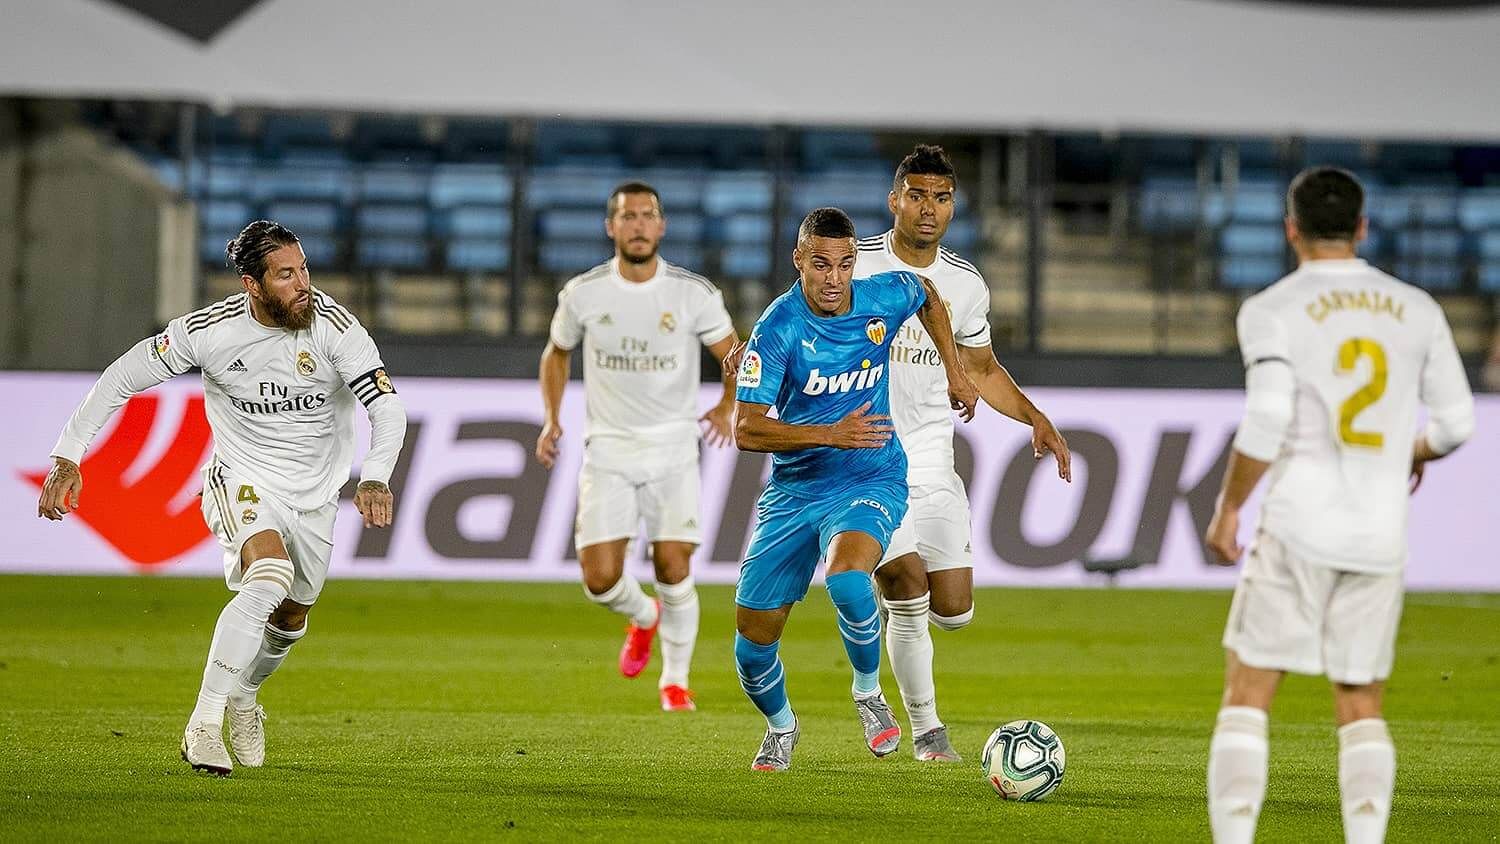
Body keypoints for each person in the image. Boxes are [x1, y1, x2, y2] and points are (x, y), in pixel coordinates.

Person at [35, 220, 408, 776]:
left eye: (304, 269)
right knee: (269, 576)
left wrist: (375, 475)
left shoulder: (334, 326)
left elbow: (385, 406)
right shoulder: (210, 331)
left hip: (316, 494)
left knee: (291, 617)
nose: (303, 283)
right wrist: (68, 456)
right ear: (251, 284)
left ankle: (244, 696)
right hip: (243, 478)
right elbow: (120, 378)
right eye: (286, 275)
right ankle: (203, 725)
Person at [1203, 167, 1475, 843]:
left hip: (1297, 525)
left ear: (1291, 228)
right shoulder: (1418, 308)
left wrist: (1229, 509)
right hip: (1380, 535)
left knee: (1248, 695)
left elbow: (1267, 419)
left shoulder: (1272, 308)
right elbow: (1456, 424)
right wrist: (1409, 453)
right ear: (1362, 227)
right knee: (1360, 702)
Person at [730, 206, 979, 771]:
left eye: (844, 265)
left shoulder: (880, 295)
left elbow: (924, 292)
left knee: (848, 578)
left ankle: (868, 695)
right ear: (799, 260)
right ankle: (781, 726)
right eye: (821, 265)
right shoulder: (777, 329)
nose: (834, 279)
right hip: (796, 490)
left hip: (871, 475)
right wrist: (828, 433)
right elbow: (746, 429)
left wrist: (955, 370)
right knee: (751, 644)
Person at [854, 144, 1071, 761]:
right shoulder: (854, 266)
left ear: (954, 206)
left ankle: (877, 594)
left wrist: (1036, 418)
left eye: (941, 198)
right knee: (907, 590)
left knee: (953, 610)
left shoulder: (965, 283)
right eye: (916, 195)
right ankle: (927, 732)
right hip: (865, 460)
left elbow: (981, 367)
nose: (929, 209)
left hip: (931, 461)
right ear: (894, 200)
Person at [535, 181, 739, 712]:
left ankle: (675, 681)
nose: (639, 225)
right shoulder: (584, 293)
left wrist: (725, 405)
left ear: (662, 226)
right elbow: (556, 353)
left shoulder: (692, 293)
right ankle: (644, 617)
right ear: (611, 226)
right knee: (599, 579)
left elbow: (735, 353)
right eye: (628, 216)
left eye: (648, 215)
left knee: (673, 564)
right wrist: (552, 419)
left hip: (673, 447)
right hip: (607, 448)